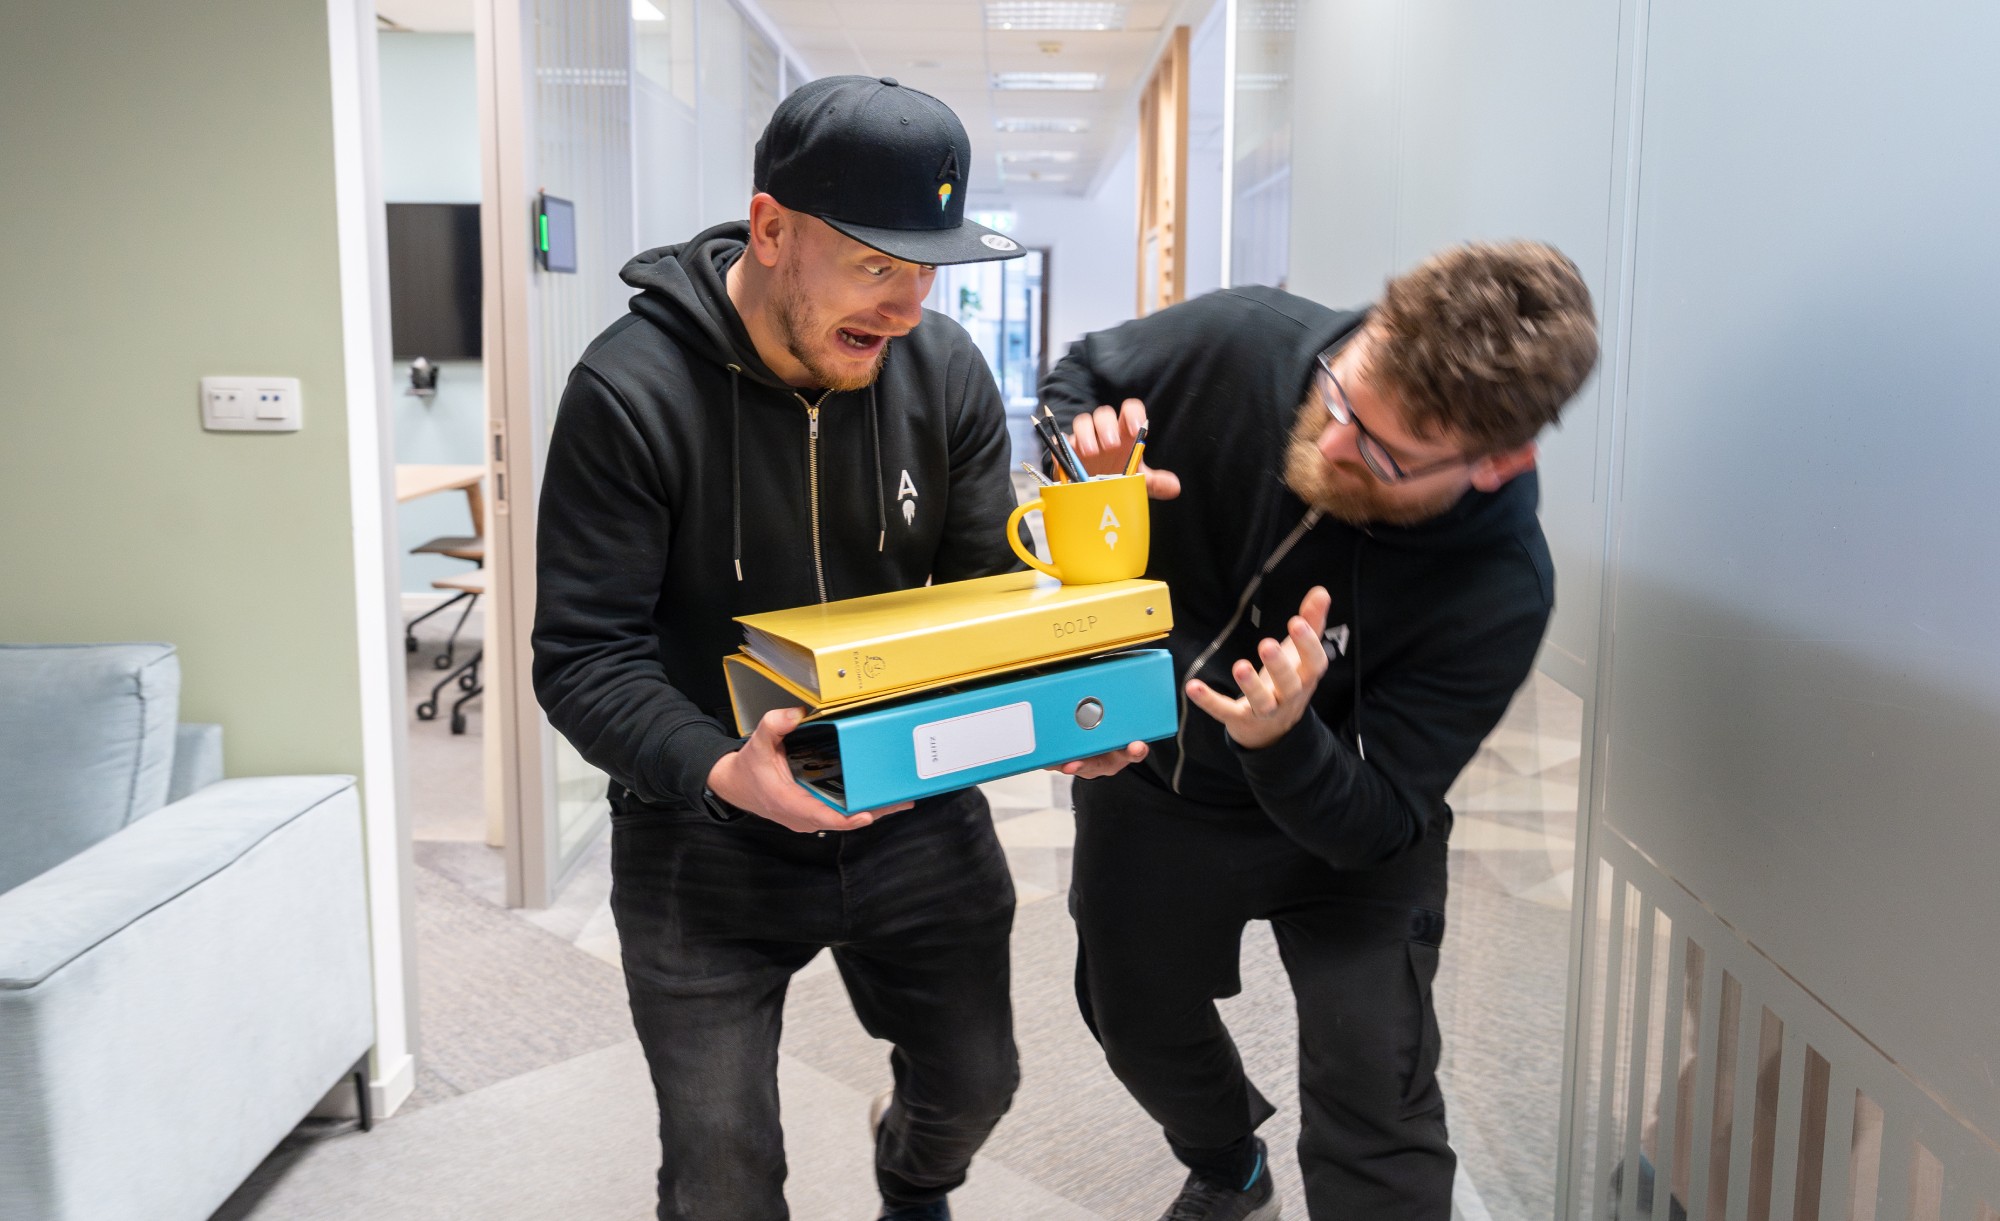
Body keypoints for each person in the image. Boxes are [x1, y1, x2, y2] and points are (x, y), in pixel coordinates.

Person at [531, 75, 1122, 1221]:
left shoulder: (940, 369)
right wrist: (719, 771)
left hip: (913, 803)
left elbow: (977, 588)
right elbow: (584, 656)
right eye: (876, 266)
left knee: (974, 1086)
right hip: (702, 829)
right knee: (721, 1174)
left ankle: (910, 1175)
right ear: (770, 230)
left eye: (927, 272)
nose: (908, 307)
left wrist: (1068, 704)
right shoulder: (629, 390)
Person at [1040, 241, 1601, 1220]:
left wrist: (1284, 739)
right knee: (1133, 1025)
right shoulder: (1246, 340)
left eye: (1384, 452)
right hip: (1158, 793)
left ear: (1497, 462)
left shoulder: (1498, 587)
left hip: (1347, 837)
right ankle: (1225, 1160)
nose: (1334, 445)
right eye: (1342, 397)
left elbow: (1377, 821)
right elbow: (1080, 373)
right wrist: (1087, 463)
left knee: (1374, 1107)